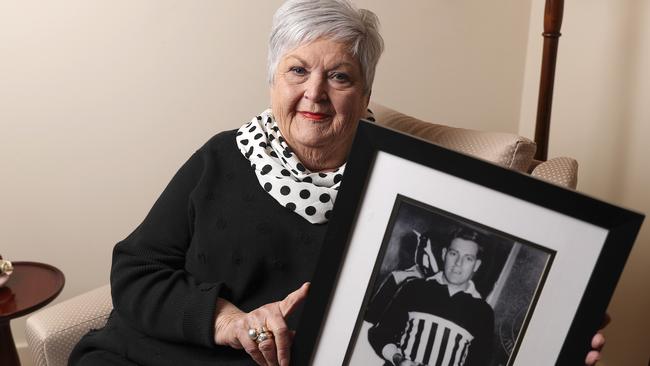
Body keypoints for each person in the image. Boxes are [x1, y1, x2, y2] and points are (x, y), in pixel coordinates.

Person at [67, 1, 605, 365]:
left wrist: (558, 335)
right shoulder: (221, 157)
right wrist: (227, 320)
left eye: (340, 76)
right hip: (154, 352)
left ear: (366, 93)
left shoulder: (408, 189)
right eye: (297, 71)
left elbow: (420, 323)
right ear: (274, 80)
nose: (315, 93)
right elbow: (135, 270)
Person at [368, 228, 493, 366]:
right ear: (444, 254)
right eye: (453, 253)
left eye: (468, 258)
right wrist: (399, 360)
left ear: (476, 265)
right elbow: (379, 334)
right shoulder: (414, 288)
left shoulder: (483, 312)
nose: (458, 263)